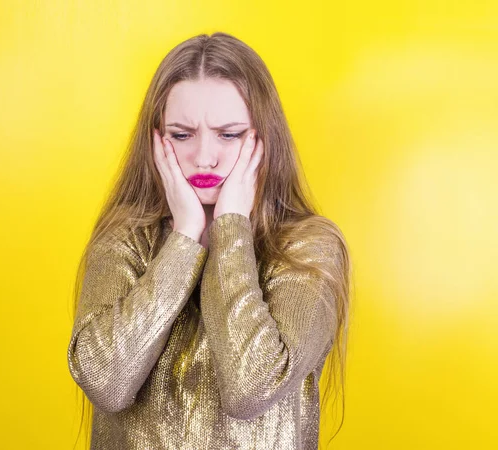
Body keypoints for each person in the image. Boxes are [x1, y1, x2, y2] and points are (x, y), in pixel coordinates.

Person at [67, 32, 352, 450]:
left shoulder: (308, 249)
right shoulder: (125, 240)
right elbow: (105, 382)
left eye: (229, 133)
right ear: (156, 139)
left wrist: (230, 226)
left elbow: (250, 387)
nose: (204, 157)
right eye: (182, 135)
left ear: (264, 137)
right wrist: (184, 236)